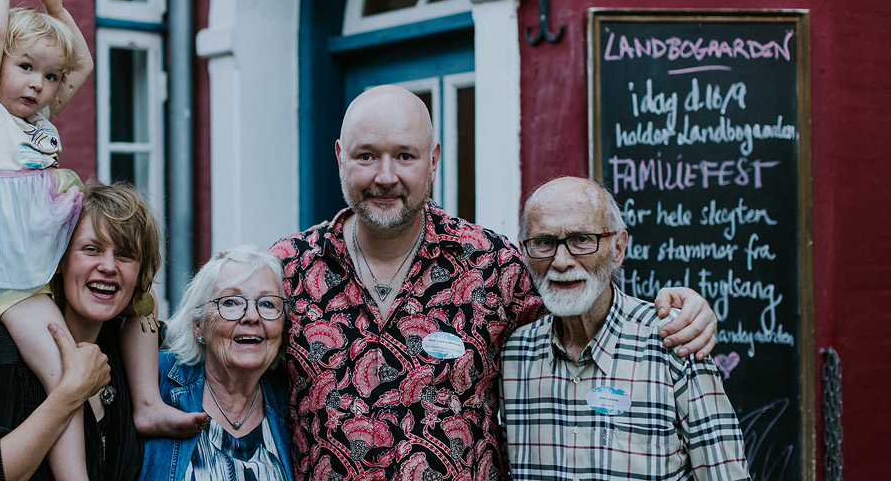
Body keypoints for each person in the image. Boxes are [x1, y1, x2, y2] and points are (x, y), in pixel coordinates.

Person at [270, 85, 719, 480]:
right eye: (366, 155)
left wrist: (682, 306)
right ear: (339, 157)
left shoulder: (492, 264)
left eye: (405, 156)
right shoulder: (285, 272)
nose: (385, 176)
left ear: (434, 160)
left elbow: (582, 305)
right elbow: (224, 353)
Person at [0, 0, 203, 480]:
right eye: (25, 67)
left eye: (47, 77)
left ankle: (146, 401)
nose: (39, 85)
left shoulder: (40, 125)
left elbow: (81, 67)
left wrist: (57, 11)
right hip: (18, 283)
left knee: (138, 286)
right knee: (66, 373)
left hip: (47, 254)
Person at [501, 177, 750, 480]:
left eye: (581, 239)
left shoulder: (673, 342)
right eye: (544, 242)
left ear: (618, 248)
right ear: (524, 252)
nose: (562, 261)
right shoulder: (514, 355)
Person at [0, 182, 160, 480]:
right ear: (59, 260)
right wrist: (69, 393)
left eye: (125, 255)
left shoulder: (122, 348)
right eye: (92, 249)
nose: (108, 266)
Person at [141, 246, 295, 481]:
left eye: (267, 304)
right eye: (231, 302)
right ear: (198, 326)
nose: (252, 316)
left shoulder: (293, 402)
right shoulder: (153, 381)